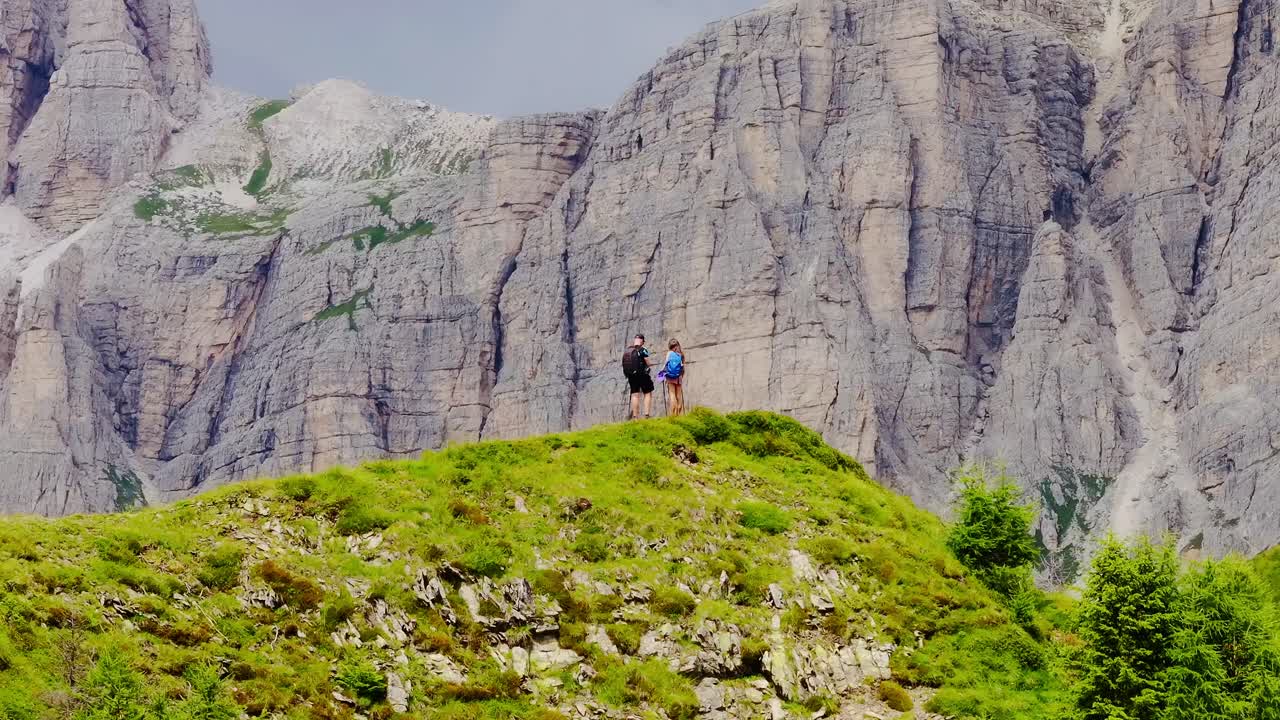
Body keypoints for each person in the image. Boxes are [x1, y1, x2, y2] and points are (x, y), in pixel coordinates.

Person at [621, 334, 655, 419]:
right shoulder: (643, 349)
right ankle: (647, 415)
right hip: (642, 374)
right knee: (647, 393)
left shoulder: (628, 350)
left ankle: (635, 417)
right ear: (642, 341)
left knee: (634, 394)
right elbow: (647, 361)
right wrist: (651, 364)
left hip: (631, 375)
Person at [663, 339, 686, 416]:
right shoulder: (681, 354)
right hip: (679, 376)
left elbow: (666, 364)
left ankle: (673, 415)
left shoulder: (669, 353)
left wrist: (661, 375)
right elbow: (683, 367)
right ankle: (679, 414)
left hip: (670, 376)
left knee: (672, 394)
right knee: (679, 395)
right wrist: (681, 376)